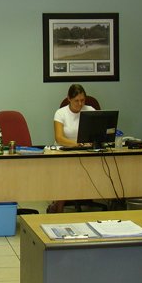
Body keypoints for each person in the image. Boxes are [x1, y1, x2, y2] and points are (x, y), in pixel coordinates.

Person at [48, 84, 97, 213]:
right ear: (69, 99)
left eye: (83, 100)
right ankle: (59, 207)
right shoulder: (61, 113)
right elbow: (59, 138)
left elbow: (97, 133)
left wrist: (90, 143)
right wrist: (77, 144)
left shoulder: (90, 110)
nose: (80, 104)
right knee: (65, 175)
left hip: (86, 152)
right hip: (64, 151)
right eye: (76, 101)